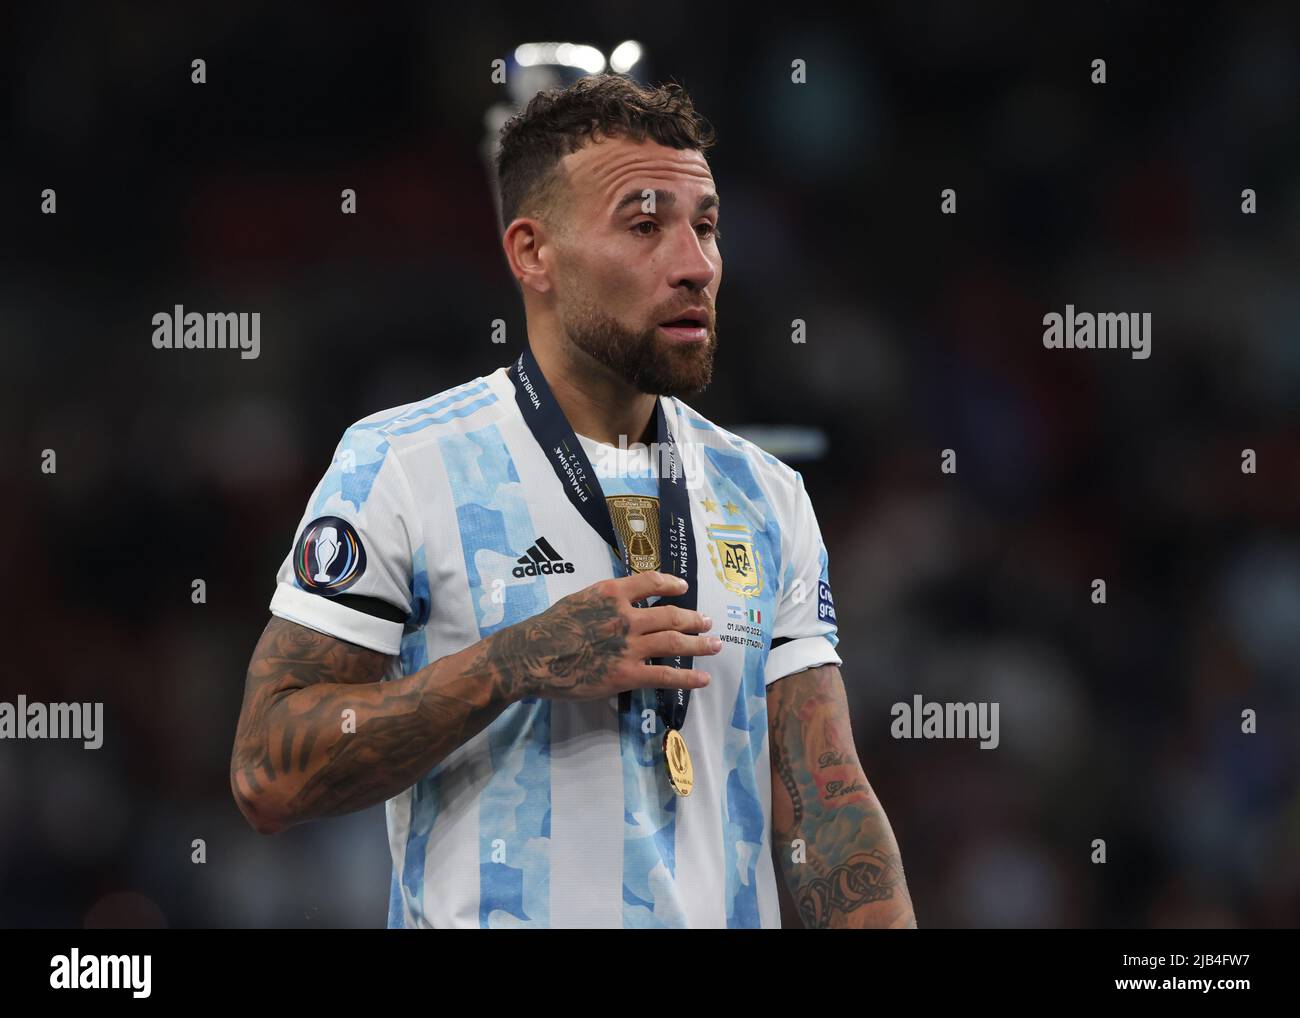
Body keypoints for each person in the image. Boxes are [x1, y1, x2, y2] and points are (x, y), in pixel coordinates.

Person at [230, 73, 915, 929]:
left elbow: (826, 801)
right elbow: (267, 773)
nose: (696, 265)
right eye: (644, 226)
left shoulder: (766, 495)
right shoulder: (403, 465)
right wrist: (513, 664)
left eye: (706, 227)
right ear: (532, 253)